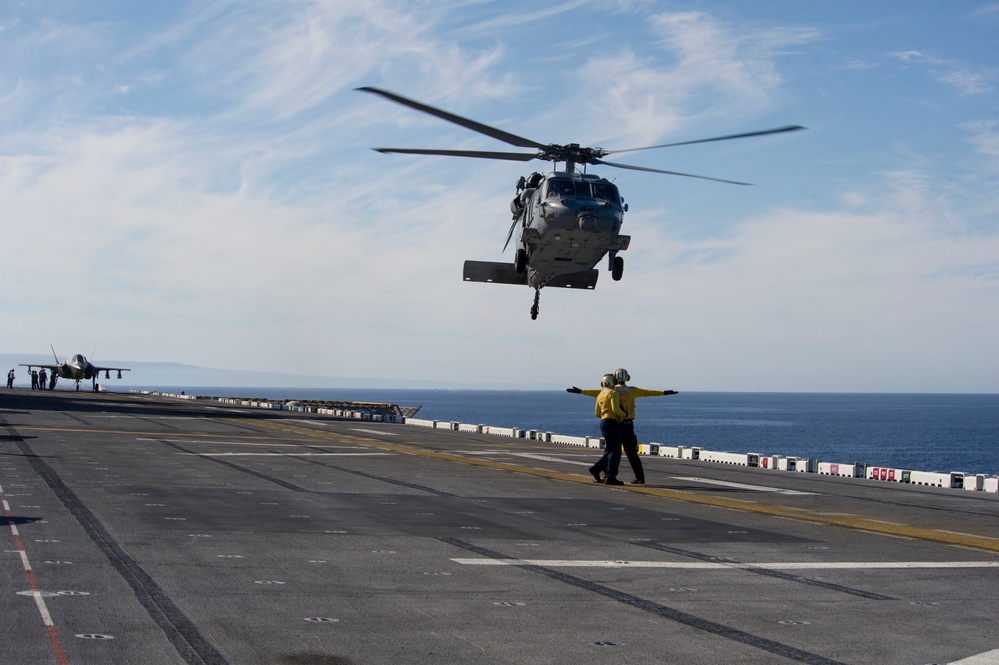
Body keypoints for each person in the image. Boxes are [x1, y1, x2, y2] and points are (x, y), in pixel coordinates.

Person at [569, 368, 678, 485]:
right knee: (631, 453)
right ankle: (639, 477)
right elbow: (649, 392)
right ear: (627, 378)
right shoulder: (633, 391)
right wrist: (665, 393)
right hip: (628, 424)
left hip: (615, 423)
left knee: (610, 451)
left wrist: (581, 391)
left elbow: (594, 393)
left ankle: (605, 473)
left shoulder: (611, 391)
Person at [587, 374, 628, 486]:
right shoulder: (613, 393)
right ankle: (610, 476)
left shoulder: (600, 394)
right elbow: (616, 409)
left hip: (603, 422)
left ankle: (596, 469)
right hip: (612, 422)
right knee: (616, 451)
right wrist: (624, 414)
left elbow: (597, 413)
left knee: (610, 450)